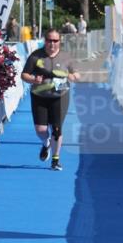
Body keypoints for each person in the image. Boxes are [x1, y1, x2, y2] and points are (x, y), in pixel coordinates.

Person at [21, 28, 81, 171]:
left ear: (60, 41)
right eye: (49, 40)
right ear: (45, 40)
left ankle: (55, 159)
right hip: (39, 96)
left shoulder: (66, 57)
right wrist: (33, 79)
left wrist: (73, 77)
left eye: (55, 41)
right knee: (41, 129)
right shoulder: (36, 56)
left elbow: (77, 74)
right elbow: (24, 75)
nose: (52, 44)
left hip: (60, 97)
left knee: (56, 128)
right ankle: (45, 143)